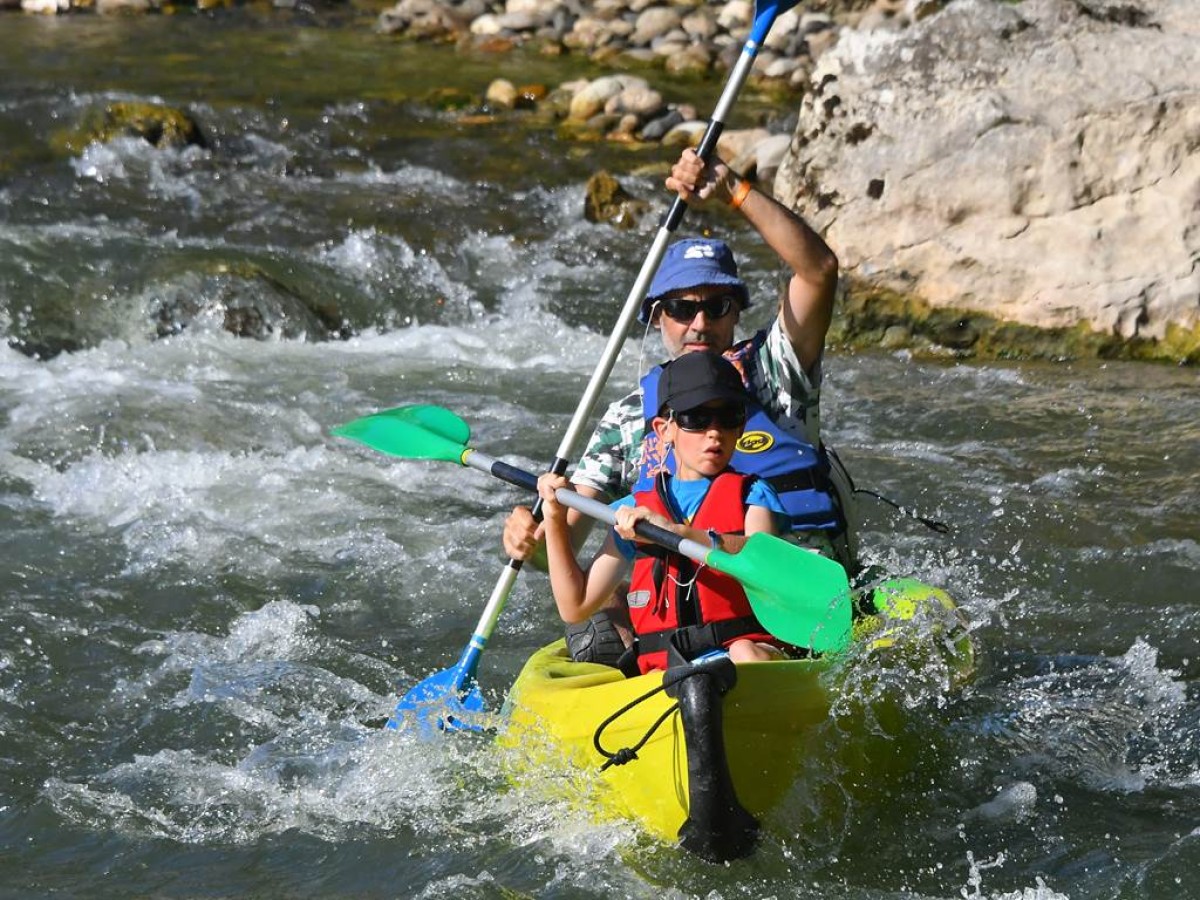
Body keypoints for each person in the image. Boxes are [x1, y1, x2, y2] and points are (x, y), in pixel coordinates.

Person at [505, 146, 859, 663]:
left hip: (793, 607)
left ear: (736, 310)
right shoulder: (630, 416)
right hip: (690, 614)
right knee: (610, 616)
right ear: (657, 317)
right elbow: (564, 538)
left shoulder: (776, 371)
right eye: (681, 308)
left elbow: (819, 270)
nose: (699, 323)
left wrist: (733, 188)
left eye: (716, 306)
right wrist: (531, 536)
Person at [538, 352, 790, 673]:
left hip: (741, 651)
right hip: (668, 667)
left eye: (728, 416)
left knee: (743, 652)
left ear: (740, 426)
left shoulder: (754, 496)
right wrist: (555, 518)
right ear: (664, 429)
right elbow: (575, 605)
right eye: (696, 419)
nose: (714, 431)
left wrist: (678, 533)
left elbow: (764, 561)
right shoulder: (633, 511)